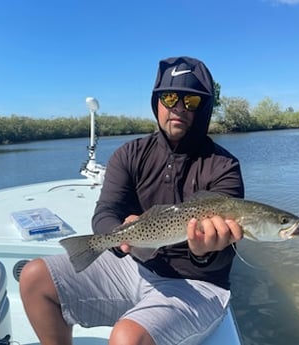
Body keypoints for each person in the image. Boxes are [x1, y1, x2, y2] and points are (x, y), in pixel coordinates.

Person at [19, 56, 245, 345]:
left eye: (191, 101)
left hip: (198, 284)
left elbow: (224, 257)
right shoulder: (129, 154)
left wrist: (203, 252)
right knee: (34, 277)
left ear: (205, 108)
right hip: (133, 265)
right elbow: (105, 211)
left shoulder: (224, 166)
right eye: (170, 97)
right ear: (157, 101)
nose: (178, 107)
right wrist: (120, 234)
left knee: (127, 337)